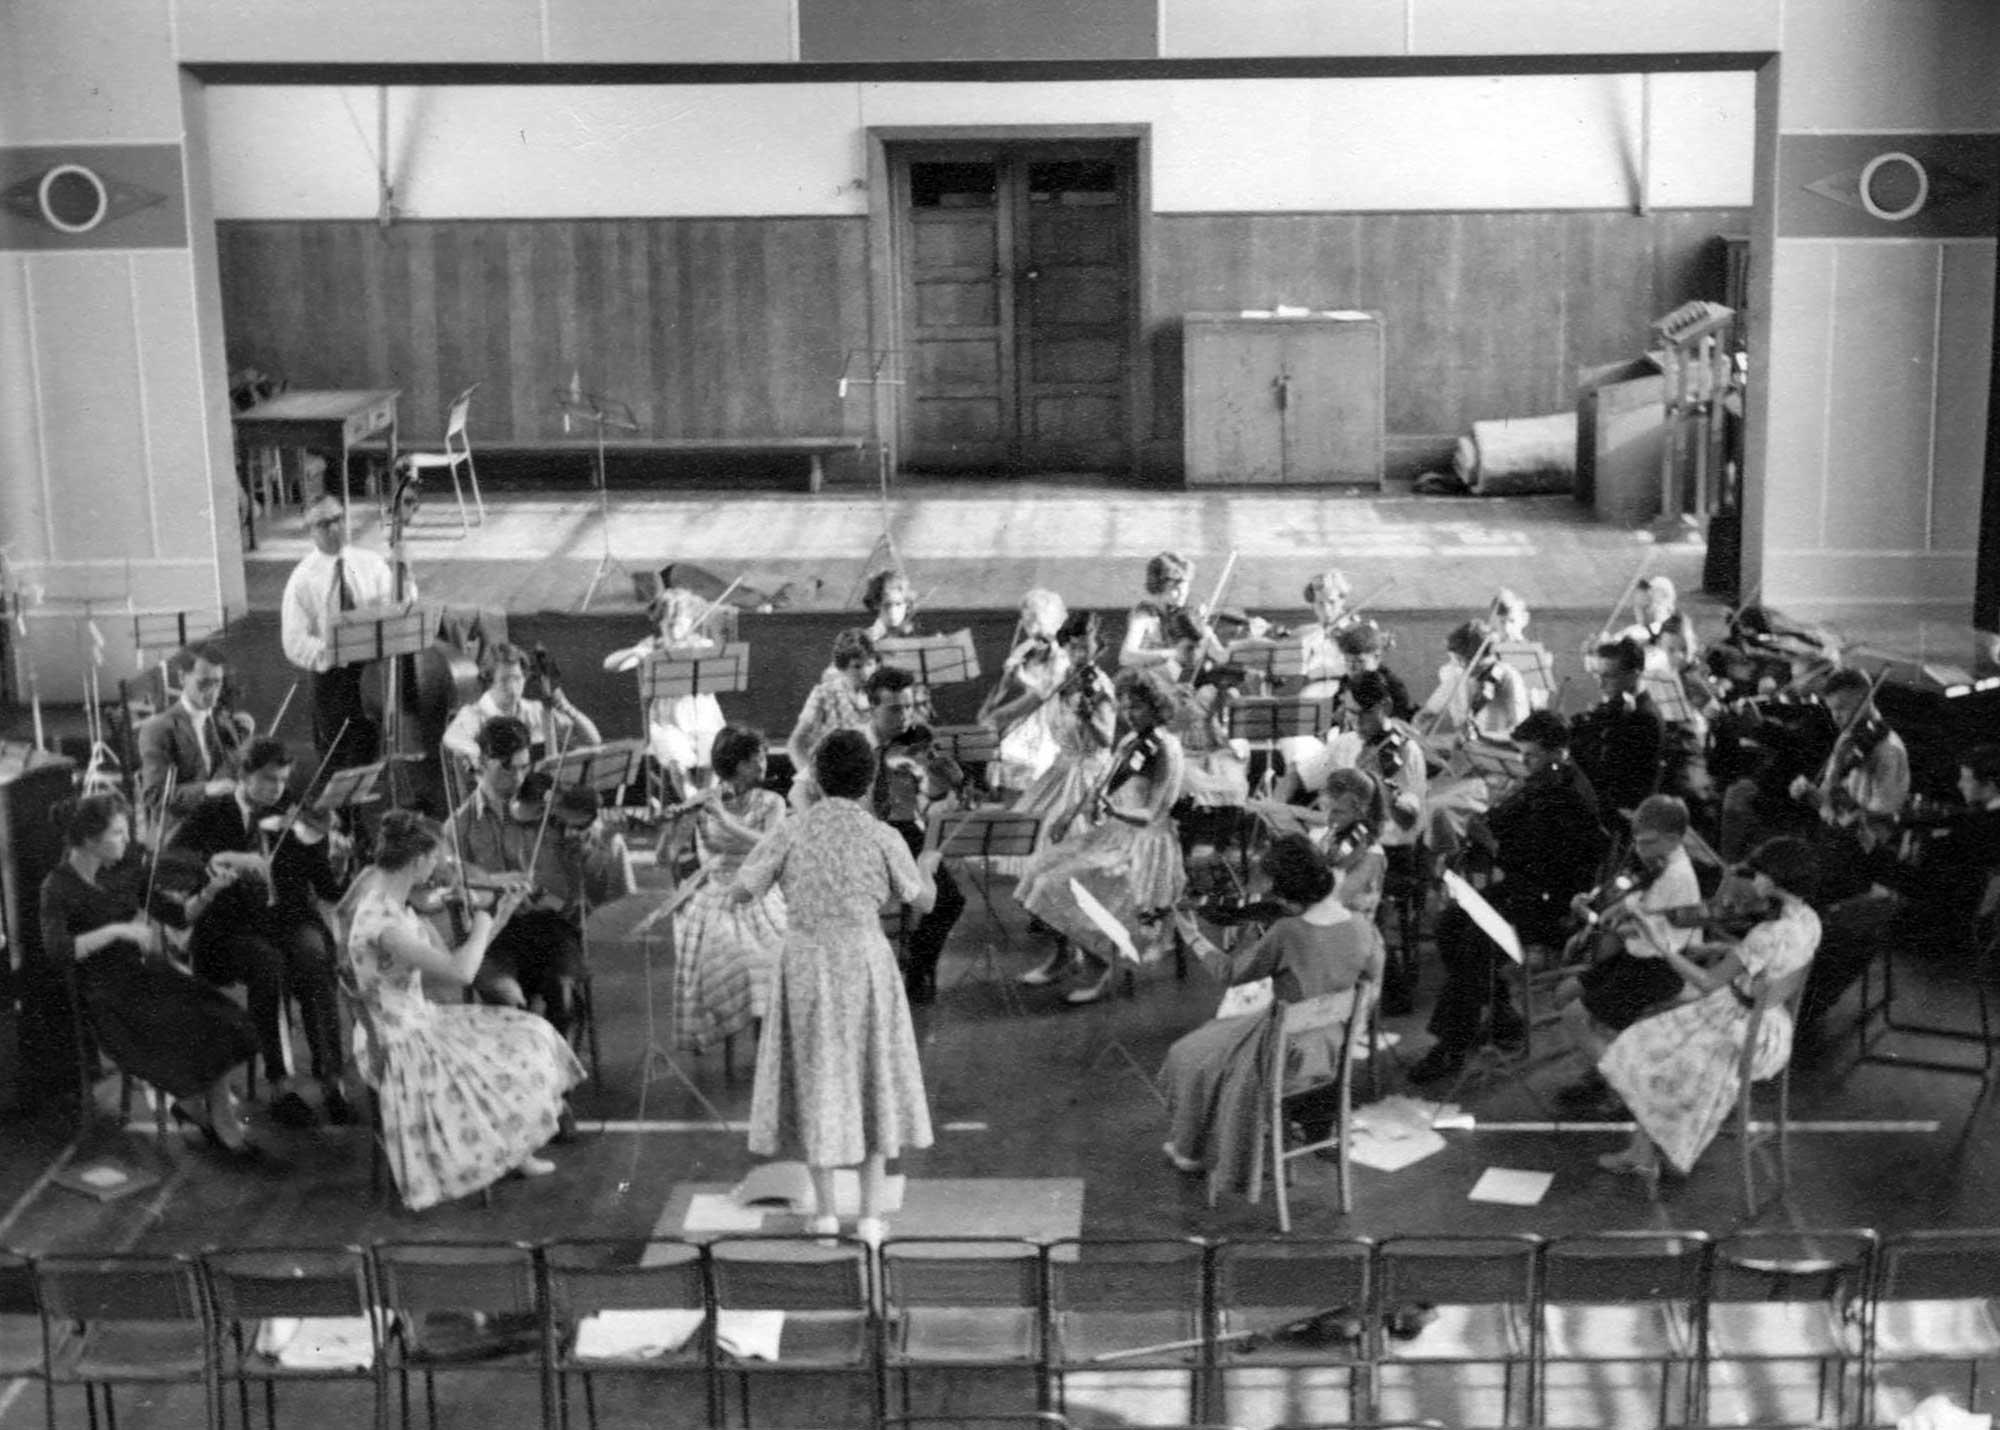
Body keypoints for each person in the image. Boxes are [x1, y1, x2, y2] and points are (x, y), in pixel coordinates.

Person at [730, 728, 941, 1246]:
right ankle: (870, 1217)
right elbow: (923, 903)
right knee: (873, 1080)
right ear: (870, 780)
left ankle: (824, 1214)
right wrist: (929, 867)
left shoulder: (791, 830)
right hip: (864, 964)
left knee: (816, 1078)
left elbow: (741, 890)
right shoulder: (883, 836)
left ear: (818, 780)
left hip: (804, 963)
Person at [343, 809, 585, 1210]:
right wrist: (483, 924)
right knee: (515, 1053)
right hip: (399, 1043)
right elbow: (459, 972)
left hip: (417, 1020)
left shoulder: (392, 901)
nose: (439, 865)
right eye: (435, 857)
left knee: (531, 1032)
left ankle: (514, 1150)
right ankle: (504, 1152)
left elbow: (451, 958)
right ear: (419, 860)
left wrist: (499, 914)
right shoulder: (384, 923)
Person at [1159, 835, 1382, 1196]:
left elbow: (1230, 974)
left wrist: (1193, 936)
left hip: (1281, 1056)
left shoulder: (1288, 932)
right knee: (1216, 1044)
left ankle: (1189, 1150)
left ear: (1286, 892)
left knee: (1188, 1054)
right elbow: (1371, 988)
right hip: (1331, 1050)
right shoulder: (1362, 927)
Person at [1595, 836, 1822, 1187]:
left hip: (1740, 1028)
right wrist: (1727, 948)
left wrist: (1665, 948)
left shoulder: (1766, 933)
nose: (1754, 880)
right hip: (1771, 1026)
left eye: (1760, 874)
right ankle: (1659, 1147)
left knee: (1641, 1047)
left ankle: (1649, 1152)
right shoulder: (1809, 920)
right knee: (1657, 1040)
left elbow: (1708, 983)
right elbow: (1773, 963)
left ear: (1775, 881)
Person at [40, 794, 260, 1152]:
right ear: (90, 841)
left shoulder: (126, 870)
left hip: (144, 976)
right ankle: (217, 1118)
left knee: (222, 1016)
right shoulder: (58, 886)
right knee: (195, 1023)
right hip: (106, 997)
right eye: (119, 833)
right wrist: (118, 931)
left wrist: (209, 891)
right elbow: (58, 950)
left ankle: (201, 1108)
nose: (129, 842)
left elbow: (179, 916)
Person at [1409, 710, 1606, 1083]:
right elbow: (1512, 832)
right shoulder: (1547, 783)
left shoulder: (1567, 796)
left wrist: (1491, 841)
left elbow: (1537, 863)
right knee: (1450, 923)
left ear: (1558, 753)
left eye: (1530, 756)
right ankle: (1501, 1014)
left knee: (1475, 940)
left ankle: (1451, 1044)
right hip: (1526, 890)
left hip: (1553, 905)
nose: (1523, 763)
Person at [166, 736, 350, 1127]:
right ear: (244, 775)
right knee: (268, 964)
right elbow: (171, 860)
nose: (277, 789)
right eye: (268, 780)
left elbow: (330, 889)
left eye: (283, 780)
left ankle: (331, 1078)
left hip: (286, 918)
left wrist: (338, 858)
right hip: (229, 928)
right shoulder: (213, 811)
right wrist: (224, 858)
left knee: (315, 956)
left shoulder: (294, 816)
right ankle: (281, 1083)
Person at [450, 714, 631, 1036]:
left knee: (562, 995)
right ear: (481, 762)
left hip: (552, 927)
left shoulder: (547, 808)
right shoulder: (459, 826)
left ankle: (555, 1082)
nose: (519, 777)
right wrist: (490, 886)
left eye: (524, 766)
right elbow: (456, 887)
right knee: (509, 1002)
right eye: (508, 767)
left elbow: (588, 873)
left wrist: (587, 839)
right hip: (494, 935)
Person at [1017, 667, 1188, 1004]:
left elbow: (1153, 812)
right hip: (1112, 835)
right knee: (1036, 868)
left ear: (1157, 706)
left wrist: (1114, 810)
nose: (1128, 714)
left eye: (1136, 707)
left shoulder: (1166, 748)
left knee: (1059, 883)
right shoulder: (1130, 741)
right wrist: (1071, 812)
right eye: (1124, 706)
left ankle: (1099, 963)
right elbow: (1104, 780)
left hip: (1144, 844)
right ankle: (1066, 955)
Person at [1550, 794, 1703, 1113]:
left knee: (1574, 1015)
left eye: (1646, 842)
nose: (1638, 848)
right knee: (1565, 994)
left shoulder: (1677, 878)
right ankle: (1603, 1069)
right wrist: (1596, 903)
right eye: (1636, 840)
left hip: (1657, 968)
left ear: (1674, 839)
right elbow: (1630, 900)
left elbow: (1645, 932)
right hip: (1635, 959)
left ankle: (1625, 1085)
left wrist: (1596, 921)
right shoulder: (1660, 860)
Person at [670, 725, 788, 1053]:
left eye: (763, 755)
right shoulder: (704, 801)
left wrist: (723, 818)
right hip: (714, 896)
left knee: (778, 956)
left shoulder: (772, 802)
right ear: (734, 764)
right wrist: (675, 826)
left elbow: (772, 846)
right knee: (739, 962)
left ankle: (771, 1039)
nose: (763, 763)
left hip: (759, 893)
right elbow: (666, 855)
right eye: (754, 759)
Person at [862, 666, 967, 1003]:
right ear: (871, 708)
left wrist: (944, 786)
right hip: (865, 835)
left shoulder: (917, 740)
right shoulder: (857, 745)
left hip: (905, 830)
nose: (905, 716)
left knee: (950, 900)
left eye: (909, 706)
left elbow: (931, 796)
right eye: (894, 709)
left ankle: (917, 962)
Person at [279, 494, 404, 768]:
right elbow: (294, 642)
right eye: (324, 524)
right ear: (310, 530)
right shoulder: (302, 579)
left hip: (374, 673)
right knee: (338, 759)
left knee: (373, 752)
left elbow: (398, 603)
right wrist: (334, 650)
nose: (334, 528)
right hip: (333, 679)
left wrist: (403, 580)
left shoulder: (370, 562)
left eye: (337, 519)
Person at [602, 586, 726, 795]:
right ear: (659, 623)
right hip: (668, 722)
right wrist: (636, 652)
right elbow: (609, 664)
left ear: (690, 621)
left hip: (705, 718)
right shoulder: (653, 647)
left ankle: (706, 801)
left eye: (679, 623)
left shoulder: (702, 644)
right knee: (677, 762)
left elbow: (721, 673)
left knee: (716, 755)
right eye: (667, 624)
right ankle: (691, 804)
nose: (673, 630)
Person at [136, 642, 254, 825]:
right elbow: (154, 795)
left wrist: (245, 738)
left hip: (222, 824)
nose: (212, 693)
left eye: (217, 683)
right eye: (204, 683)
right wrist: (206, 789)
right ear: (182, 678)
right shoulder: (159, 728)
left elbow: (230, 766)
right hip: (181, 833)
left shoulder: (222, 720)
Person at [444, 641, 601, 771]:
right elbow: (451, 737)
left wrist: (568, 709)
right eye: (504, 680)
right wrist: (475, 751)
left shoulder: (536, 710)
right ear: (490, 680)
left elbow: (592, 741)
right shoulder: (475, 713)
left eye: (517, 679)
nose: (513, 688)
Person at [980, 587, 1071, 795]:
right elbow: (1002, 692)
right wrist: (1007, 677)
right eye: (1027, 622)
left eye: (1036, 621)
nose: (1031, 629)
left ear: (1052, 621)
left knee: (1032, 767)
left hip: (1048, 721)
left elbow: (1047, 692)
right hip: (1023, 720)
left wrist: (1021, 676)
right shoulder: (1027, 650)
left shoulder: (1061, 655)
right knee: (1007, 759)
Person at [1569, 637, 1666, 829]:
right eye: (1598, 675)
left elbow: (1615, 776)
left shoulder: (1644, 718)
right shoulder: (1617, 709)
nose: (1600, 684)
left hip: (1620, 815)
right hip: (1604, 804)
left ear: (1635, 675)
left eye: (1609, 676)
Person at [785, 627, 878, 802]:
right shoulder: (823, 694)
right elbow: (795, 744)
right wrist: (814, 780)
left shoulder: (882, 695)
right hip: (831, 785)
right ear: (841, 667)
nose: (865, 673)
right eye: (857, 666)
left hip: (869, 783)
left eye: (870, 664)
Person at [1121, 551, 1228, 678]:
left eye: (1185, 588)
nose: (1183, 593)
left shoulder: (1186, 616)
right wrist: (1171, 654)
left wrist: (1207, 635)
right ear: (1160, 587)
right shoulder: (1144, 615)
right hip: (1148, 684)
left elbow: (1220, 657)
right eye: (1175, 588)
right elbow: (1125, 656)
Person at [862, 570, 920, 644]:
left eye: (898, 604)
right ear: (876, 605)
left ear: (907, 605)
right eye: (887, 605)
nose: (893, 611)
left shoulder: (914, 636)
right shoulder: (866, 639)